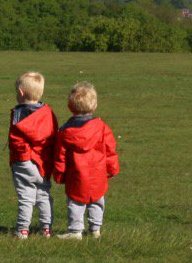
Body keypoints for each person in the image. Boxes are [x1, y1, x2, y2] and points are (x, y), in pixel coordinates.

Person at [50, 82, 118, 240]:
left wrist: (59, 174)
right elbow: (110, 150)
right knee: (97, 200)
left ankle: (75, 230)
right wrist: (112, 168)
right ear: (95, 106)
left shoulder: (65, 131)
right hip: (98, 174)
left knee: (75, 203)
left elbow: (60, 156)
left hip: (76, 175)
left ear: (69, 106)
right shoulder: (101, 127)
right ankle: (95, 229)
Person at [7, 71, 58, 239]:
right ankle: (46, 228)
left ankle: (23, 229)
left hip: (24, 161)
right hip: (43, 161)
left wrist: (22, 157)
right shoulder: (48, 113)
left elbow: (16, 141)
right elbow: (53, 136)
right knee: (43, 194)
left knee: (26, 196)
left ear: (20, 93)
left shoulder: (18, 114)